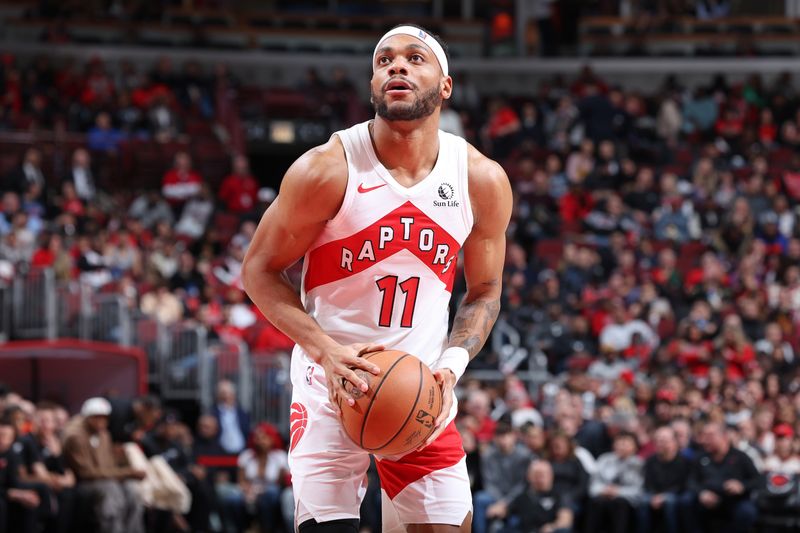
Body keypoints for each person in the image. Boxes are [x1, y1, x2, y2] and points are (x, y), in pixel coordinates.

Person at [242, 23, 512, 533]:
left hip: (421, 390)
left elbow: (485, 290)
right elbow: (258, 270)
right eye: (384, 60)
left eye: (414, 58)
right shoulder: (325, 169)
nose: (397, 67)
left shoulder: (479, 179)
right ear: (372, 85)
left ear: (445, 86)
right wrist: (323, 349)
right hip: (330, 384)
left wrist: (453, 363)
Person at [62, 397, 146, 533]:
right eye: (97, 417)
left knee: (132, 489)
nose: (102, 421)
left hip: (106, 478)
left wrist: (122, 460)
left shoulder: (104, 434)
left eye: (105, 418)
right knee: (111, 490)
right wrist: (126, 472)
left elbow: (109, 465)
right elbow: (86, 473)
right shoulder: (76, 437)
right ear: (88, 417)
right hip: (85, 484)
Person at [686, 421, 761, 533]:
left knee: (747, 511)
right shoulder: (700, 457)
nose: (705, 440)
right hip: (707, 501)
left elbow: (758, 480)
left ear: (724, 437)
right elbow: (691, 481)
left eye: (710, 436)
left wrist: (742, 486)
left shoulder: (740, 457)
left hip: (733, 501)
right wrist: (701, 493)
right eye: (704, 436)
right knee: (687, 501)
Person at [585, 431, 643, 533]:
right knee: (596, 502)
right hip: (603, 495)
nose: (622, 446)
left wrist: (618, 492)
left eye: (626, 443)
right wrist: (604, 490)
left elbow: (639, 489)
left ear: (635, 446)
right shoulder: (604, 459)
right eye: (619, 442)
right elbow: (593, 485)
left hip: (626, 501)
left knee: (619, 503)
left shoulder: (639, 464)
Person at [637, 426, 691, 533]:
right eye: (657, 441)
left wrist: (664, 496)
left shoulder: (684, 461)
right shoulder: (650, 460)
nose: (660, 444)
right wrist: (654, 496)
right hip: (654, 494)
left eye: (664, 441)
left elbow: (683, 484)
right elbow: (647, 482)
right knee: (642, 501)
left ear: (675, 442)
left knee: (670, 501)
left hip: (675, 494)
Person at [503, 460, 573, 533]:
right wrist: (500, 509)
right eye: (536, 474)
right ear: (529, 476)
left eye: (543, 474)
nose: (540, 478)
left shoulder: (561, 495)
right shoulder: (522, 496)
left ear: (551, 476)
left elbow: (565, 520)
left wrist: (552, 527)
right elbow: (505, 510)